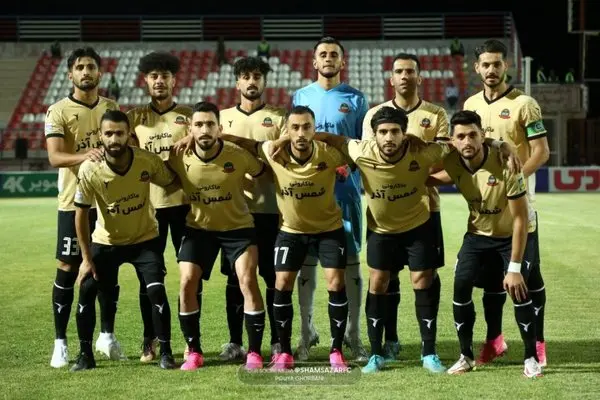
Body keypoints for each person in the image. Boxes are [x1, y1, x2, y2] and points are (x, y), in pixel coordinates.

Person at [218, 105, 351, 371]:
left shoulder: (329, 153)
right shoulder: (274, 152)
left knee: (336, 283)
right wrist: (218, 137)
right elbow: (247, 144)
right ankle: (285, 352)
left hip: (329, 230)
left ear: (314, 129)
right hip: (291, 231)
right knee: (281, 284)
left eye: (307, 127)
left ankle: (336, 352)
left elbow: (354, 146)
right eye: (295, 128)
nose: (301, 133)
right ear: (286, 130)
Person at [428, 110, 543, 378]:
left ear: (482, 135)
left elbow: (520, 220)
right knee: (460, 286)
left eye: (473, 135)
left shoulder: (506, 164)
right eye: (460, 137)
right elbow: (426, 172)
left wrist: (514, 268)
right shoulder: (453, 161)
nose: (467, 141)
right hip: (477, 236)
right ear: (453, 141)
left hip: (509, 237)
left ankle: (531, 358)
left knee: (519, 290)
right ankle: (466, 356)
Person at [463, 39, 550, 367]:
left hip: (519, 207)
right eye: (485, 64)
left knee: (528, 278)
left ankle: (537, 342)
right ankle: (495, 340)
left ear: (506, 66)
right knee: (491, 281)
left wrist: (514, 182)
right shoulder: (471, 104)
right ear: (477, 68)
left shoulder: (525, 104)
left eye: (496, 64)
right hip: (485, 210)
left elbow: (541, 151)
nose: (491, 70)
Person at [71, 110, 177, 371]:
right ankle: (85, 355)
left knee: (156, 290)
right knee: (87, 287)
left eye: (119, 133)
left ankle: (166, 352)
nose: (114, 139)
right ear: (100, 136)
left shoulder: (146, 161)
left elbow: (172, 182)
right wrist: (86, 259)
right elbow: (80, 215)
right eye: (108, 133)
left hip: (144, 239)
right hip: (106, 241)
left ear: (129, 134)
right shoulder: (90, 169)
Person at [362, 52, 449, 363]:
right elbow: (370, 157)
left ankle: (427, 346)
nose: (404, 76)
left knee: (424, 275)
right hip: (384, 211)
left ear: (419, 77)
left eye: (410, 71)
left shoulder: (436, 114)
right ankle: (390, 340)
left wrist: (417, 179)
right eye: (399, 71)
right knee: (385, 277)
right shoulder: (374, 115)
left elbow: (443, 158)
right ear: (391, 79)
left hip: (426, 207)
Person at [168, 101, 267, 371]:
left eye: (210, 124)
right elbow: (158, 172)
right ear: (190, 129)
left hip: (238, 228)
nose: (204, 130)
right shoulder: (178, 156)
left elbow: (262, 172)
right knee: (187, 282)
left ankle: (254, 352)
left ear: (219, 128)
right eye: (199, 125)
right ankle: (194, 351)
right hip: (198, 229)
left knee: (248, 280)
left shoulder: (237, 154)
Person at [45, 46, 123, 368]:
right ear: (70, 74)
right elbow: (54, 157)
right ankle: (60, 343)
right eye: (80, 67)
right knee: (67, 267)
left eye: (91, 66)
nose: (86, 72)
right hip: (72, 202)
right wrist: (85, 155)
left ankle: (107, 335)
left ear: (100, 73)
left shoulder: (111, 107)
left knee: (107, 268)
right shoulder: (58, 111)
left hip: (107, 202)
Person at [291, 36, 368, 361]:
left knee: (350, 263)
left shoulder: (356, 98)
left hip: (344, 193)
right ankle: (306, 331)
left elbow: (363, 147)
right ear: (314, 61)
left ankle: (353, 333)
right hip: (308, 194)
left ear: (342, 61)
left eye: (333, 54)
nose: (328, 58)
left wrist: (347, 165)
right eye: (322, 54)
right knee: (306, 263)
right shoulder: (300, 96)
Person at [217, 56, 285, 361]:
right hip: (234, 213)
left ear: (264, 82)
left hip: (271, 209)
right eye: (246, 76)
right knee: (236, 279)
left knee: (271, 277)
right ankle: (235, 342)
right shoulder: (221, 118)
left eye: (257, 76)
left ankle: (276, 341)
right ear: (237, 83)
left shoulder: (279, 118)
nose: (252, 81)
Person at [127, 51, 193, 362]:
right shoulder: (134, 118)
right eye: (154, 76)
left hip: (184, 206)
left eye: (164, 76)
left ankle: (190, 339)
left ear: (173, 80)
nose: (159, 81)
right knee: (149, 278)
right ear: (146, 80)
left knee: (189, 275)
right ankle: (149, 338)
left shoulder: (189, 116)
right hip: (148, 209)